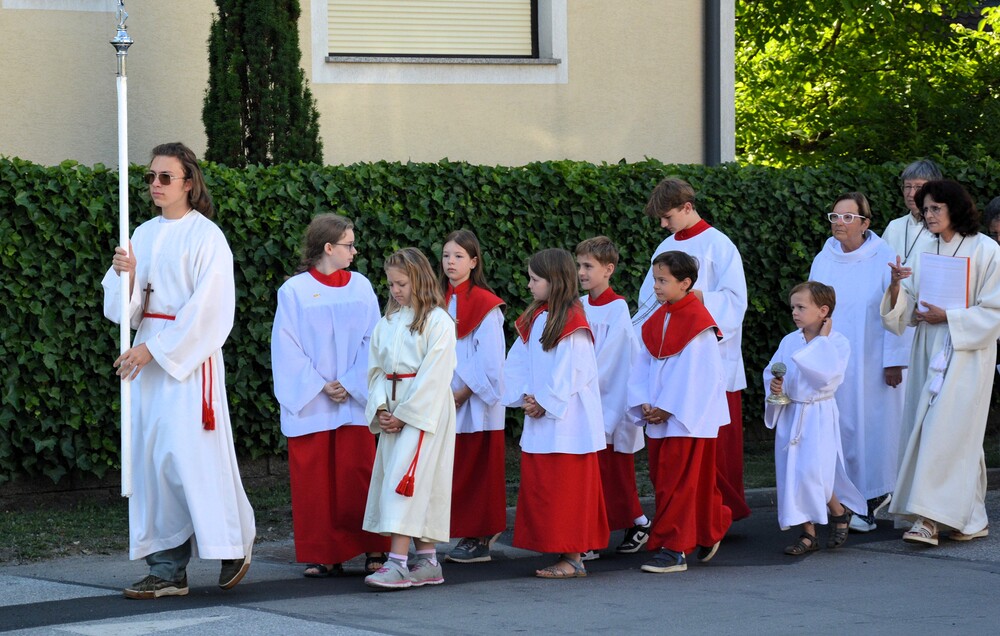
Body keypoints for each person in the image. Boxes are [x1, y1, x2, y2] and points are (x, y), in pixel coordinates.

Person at [103, 142, 255, 599]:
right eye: (150, 176)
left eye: (165, 177)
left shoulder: (207, 237)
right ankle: (167, 568)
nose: (155, 184)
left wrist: (154, 349)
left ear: (189, 182)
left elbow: (211, 310)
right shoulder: (142, 233)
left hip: (188, 362)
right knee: (156, 463)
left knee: (194, 458)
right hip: (148, 359)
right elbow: (125, 310)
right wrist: (127, 274)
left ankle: (232, 543)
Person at [270, 213, 390, 578]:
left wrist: (350, 383)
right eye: (349, 245)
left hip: (352, 401)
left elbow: (374, 340)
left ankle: (374, 547)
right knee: (315, 482)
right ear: (327, 247)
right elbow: (286, 345)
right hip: (313, 402)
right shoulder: (294, 291)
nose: (354, 251)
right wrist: (320, 384)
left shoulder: (361, 287)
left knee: (359, 475)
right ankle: (323, 553)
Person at [882, 180, 1000, 546]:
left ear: (955, 209)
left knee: (945, 430)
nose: (928, 215)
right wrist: (897, 287)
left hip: (967, 353)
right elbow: (907, 306)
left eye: (936, 208)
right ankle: (970, 517)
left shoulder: (987, 250)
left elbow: (995, 310)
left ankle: (929, 520)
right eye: (925, 209)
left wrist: (948, 316)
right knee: (954, 434)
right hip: (928, 348)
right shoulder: (925, 249)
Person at [633, 178, 751, 522]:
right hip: (669, 364)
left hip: (712, 362)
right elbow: (649, 302)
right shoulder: (665, 247)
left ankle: (720, 513)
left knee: (712, 448)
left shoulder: (719, 245)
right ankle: (687, 518)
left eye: (667, 216)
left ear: (687, 207)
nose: (663, 224)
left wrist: (696, 298)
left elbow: (734, 303)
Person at [503, 248, 609, 578]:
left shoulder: (572, 320)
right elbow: (518, 362)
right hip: (543, 417)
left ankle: (574, 558)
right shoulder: (537, 317)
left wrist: (544, 402)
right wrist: (525, 396)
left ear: (555, 280)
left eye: (535, 279)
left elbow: (575, 371)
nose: (529, 285)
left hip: (569, 423)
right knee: (547, 488)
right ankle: (564, 552)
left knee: (568, 491)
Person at [809, 193, 908, 533]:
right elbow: (813, 307)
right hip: (834, 361)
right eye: (835, 216)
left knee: (872, 430)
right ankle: (839, 502)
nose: (839, 223)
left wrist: (895, 359)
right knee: (839, 428)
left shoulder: (884, 257)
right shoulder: (824, 257)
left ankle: (871, 499)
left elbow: (898, 309)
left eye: (848, 217)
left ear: (865, 223)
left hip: (872, 362)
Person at [628, 251, 732, 573]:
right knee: (667, 480)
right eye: (655, 279)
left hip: (688, 418)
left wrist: (668, 407)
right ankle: (712, 526)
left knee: (678, 484)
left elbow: (699, 375)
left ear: (685, 283)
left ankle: (674, 549)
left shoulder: (699, 322)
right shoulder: (657, 318)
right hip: (661, 415)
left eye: (663, 280)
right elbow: (642, 365)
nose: (656, 286)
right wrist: (645, 401)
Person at [363, 247, 458, 589]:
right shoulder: (388, 322)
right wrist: (381, 408)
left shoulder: (438, 321)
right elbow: (376, 370)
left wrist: (404, 415)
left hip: (423, 412)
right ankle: (428, 561)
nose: (395, 291)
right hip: (393, 410)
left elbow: (435, 375)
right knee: (411, 481)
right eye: (391, 284)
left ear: (419, 280)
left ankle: (398, 563)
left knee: (406, 481)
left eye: (401, 284)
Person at [764, 281, 866, 556]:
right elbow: (773, 369)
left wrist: (821, 341)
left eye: (801, 307)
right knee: (792, 472)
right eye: (793, 307)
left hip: (818, 413)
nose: (794, 313)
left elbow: (827, 378)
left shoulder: (837, 342)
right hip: (792, 412)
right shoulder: (789, 340)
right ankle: (808, 533)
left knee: (814, 471)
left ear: (823, 310)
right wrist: (776, 385)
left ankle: (837, 510)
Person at [575, 237, 649, 559]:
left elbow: (613, 360)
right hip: (584, 401)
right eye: (579, 265)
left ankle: (601, 535)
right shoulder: (578, 304)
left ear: (609, 269)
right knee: (596, 476)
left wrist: (581, 384)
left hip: (608, 404)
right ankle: (637, 523)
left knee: (613, 475)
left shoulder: (617, 308)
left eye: (588, 266)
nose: (581, 272)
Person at [438, 230, 508, 564]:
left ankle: (479, 535)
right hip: (440, 397)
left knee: (477, 467)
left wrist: (463, 392)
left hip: (474, 402)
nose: (450, 262)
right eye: (446, 255)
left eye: (458, 256)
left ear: (474, 261)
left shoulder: (486, 304)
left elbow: (491, 360)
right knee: (448, 468)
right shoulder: (434, 299)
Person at [881, 159, 943, 266]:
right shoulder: (894, 227)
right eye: (908, 186)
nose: (911, 194)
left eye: (919, 187)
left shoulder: (943, 229)